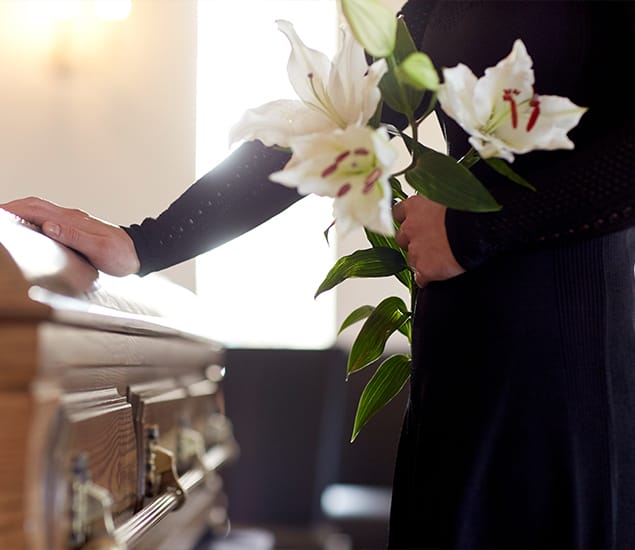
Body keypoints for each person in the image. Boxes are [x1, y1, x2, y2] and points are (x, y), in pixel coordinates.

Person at [3, 1, 634, 548]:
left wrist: (478, 227)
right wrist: (144, 242)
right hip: (461, 359)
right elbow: (330, 126)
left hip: (565, 369)